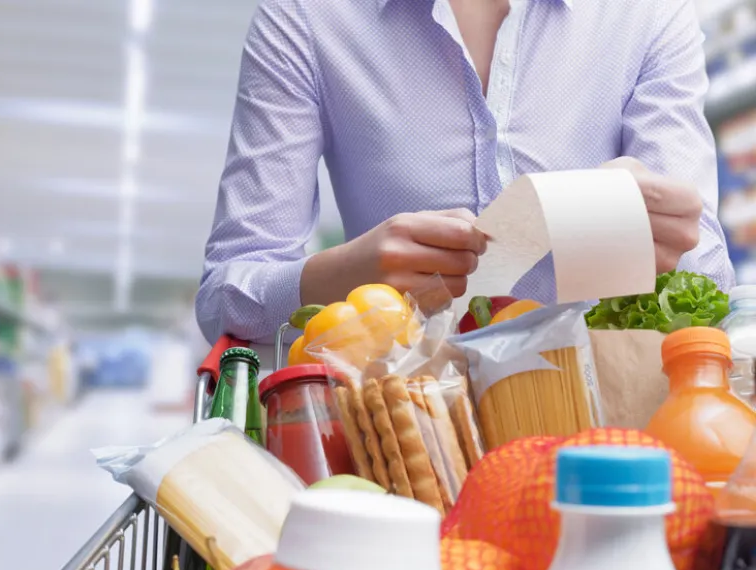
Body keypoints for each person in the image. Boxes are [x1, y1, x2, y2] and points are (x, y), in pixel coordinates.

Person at [195, 0, 736, 346]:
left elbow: (708, 284)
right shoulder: (306, 19)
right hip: (405, 419)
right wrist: (349, 272)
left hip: (600, 417)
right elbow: (226, 297)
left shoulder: (649, 15)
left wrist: (665, 241)